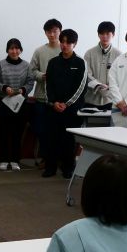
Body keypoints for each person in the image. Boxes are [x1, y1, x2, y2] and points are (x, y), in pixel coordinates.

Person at [42, 28, 88, 178]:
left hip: (71, 109)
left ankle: (68, 168)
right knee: (51, 139)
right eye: (62, 42)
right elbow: (48, 85)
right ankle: (50, 167)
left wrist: (66, 104)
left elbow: (81, 87)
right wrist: (54, 102)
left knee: (69, 140)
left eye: (68, 42)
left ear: (75, 44)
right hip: (53, 108)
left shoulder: (80, 63)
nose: (64, 45)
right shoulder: (53, 62)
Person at [0, 37, 34, 171]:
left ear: (20, 50)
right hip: (4, 102)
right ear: (7, 50)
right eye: (11, 48)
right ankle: (4, 160)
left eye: (17, 48)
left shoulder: (27, 65)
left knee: (17, 132)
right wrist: (5, 88)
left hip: (21, 103)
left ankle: (15, 160)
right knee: (3, 132)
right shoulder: (0, 65)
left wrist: (22, 90)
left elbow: (30, 82)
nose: (14, 51)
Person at [29, 18, 63, 163]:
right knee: (41, 130)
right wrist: (41, 76)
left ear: (60, 31)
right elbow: (31, 71)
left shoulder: (65, 49)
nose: (52, 34)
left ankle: (57, 159)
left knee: (58, 130)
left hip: (60, 99)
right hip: (42, 97)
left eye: (55, 31)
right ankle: (45, 159)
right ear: (45, 33)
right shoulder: (39, 51)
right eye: (49, 31)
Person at [83, 21, 118, 111]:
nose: (105, 36)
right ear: (98, 35)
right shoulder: (89, 53)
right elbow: (86, 74)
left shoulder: (119, 55)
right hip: (90, 100)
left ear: (113, 34)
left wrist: (109, 87)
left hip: (111, 100)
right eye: (102, 33)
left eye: (108, 34)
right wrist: (98, 85)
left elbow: (120, 77)